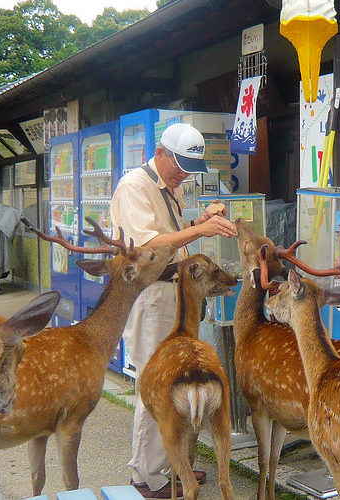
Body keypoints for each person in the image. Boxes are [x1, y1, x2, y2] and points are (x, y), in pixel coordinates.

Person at [110, 122, 237, 498]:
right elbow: (149, 245)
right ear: (160, 153)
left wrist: (197, 222)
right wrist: (200, 231)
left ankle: (173, 466)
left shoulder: (170, 187)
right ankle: (147, 477)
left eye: (189, 169)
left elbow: (170, 232)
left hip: (174, 294)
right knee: (157, 382)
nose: (183, 174)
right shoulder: (134, 186)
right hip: (150, 293)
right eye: (179, 165)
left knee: (179, 381)